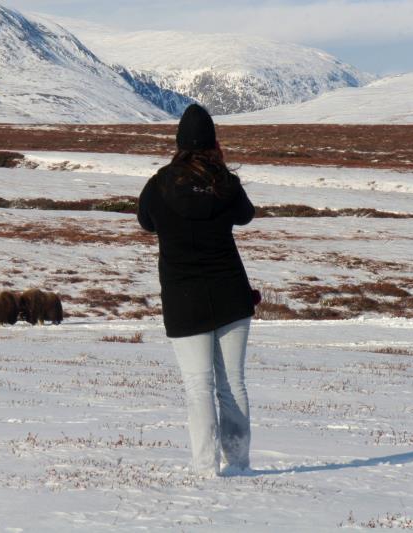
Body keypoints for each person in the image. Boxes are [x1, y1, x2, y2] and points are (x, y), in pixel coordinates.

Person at [137, 103, 257, 477]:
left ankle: (206, 469)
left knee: (198, 386)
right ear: (213, 142)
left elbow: (145, 222)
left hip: (183, 296)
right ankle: (237, 464)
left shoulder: (159, 184)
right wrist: (220, 172)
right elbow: (246, 215)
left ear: (178, 143)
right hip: (231, 292)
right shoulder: (226, 183)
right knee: (232, 383)